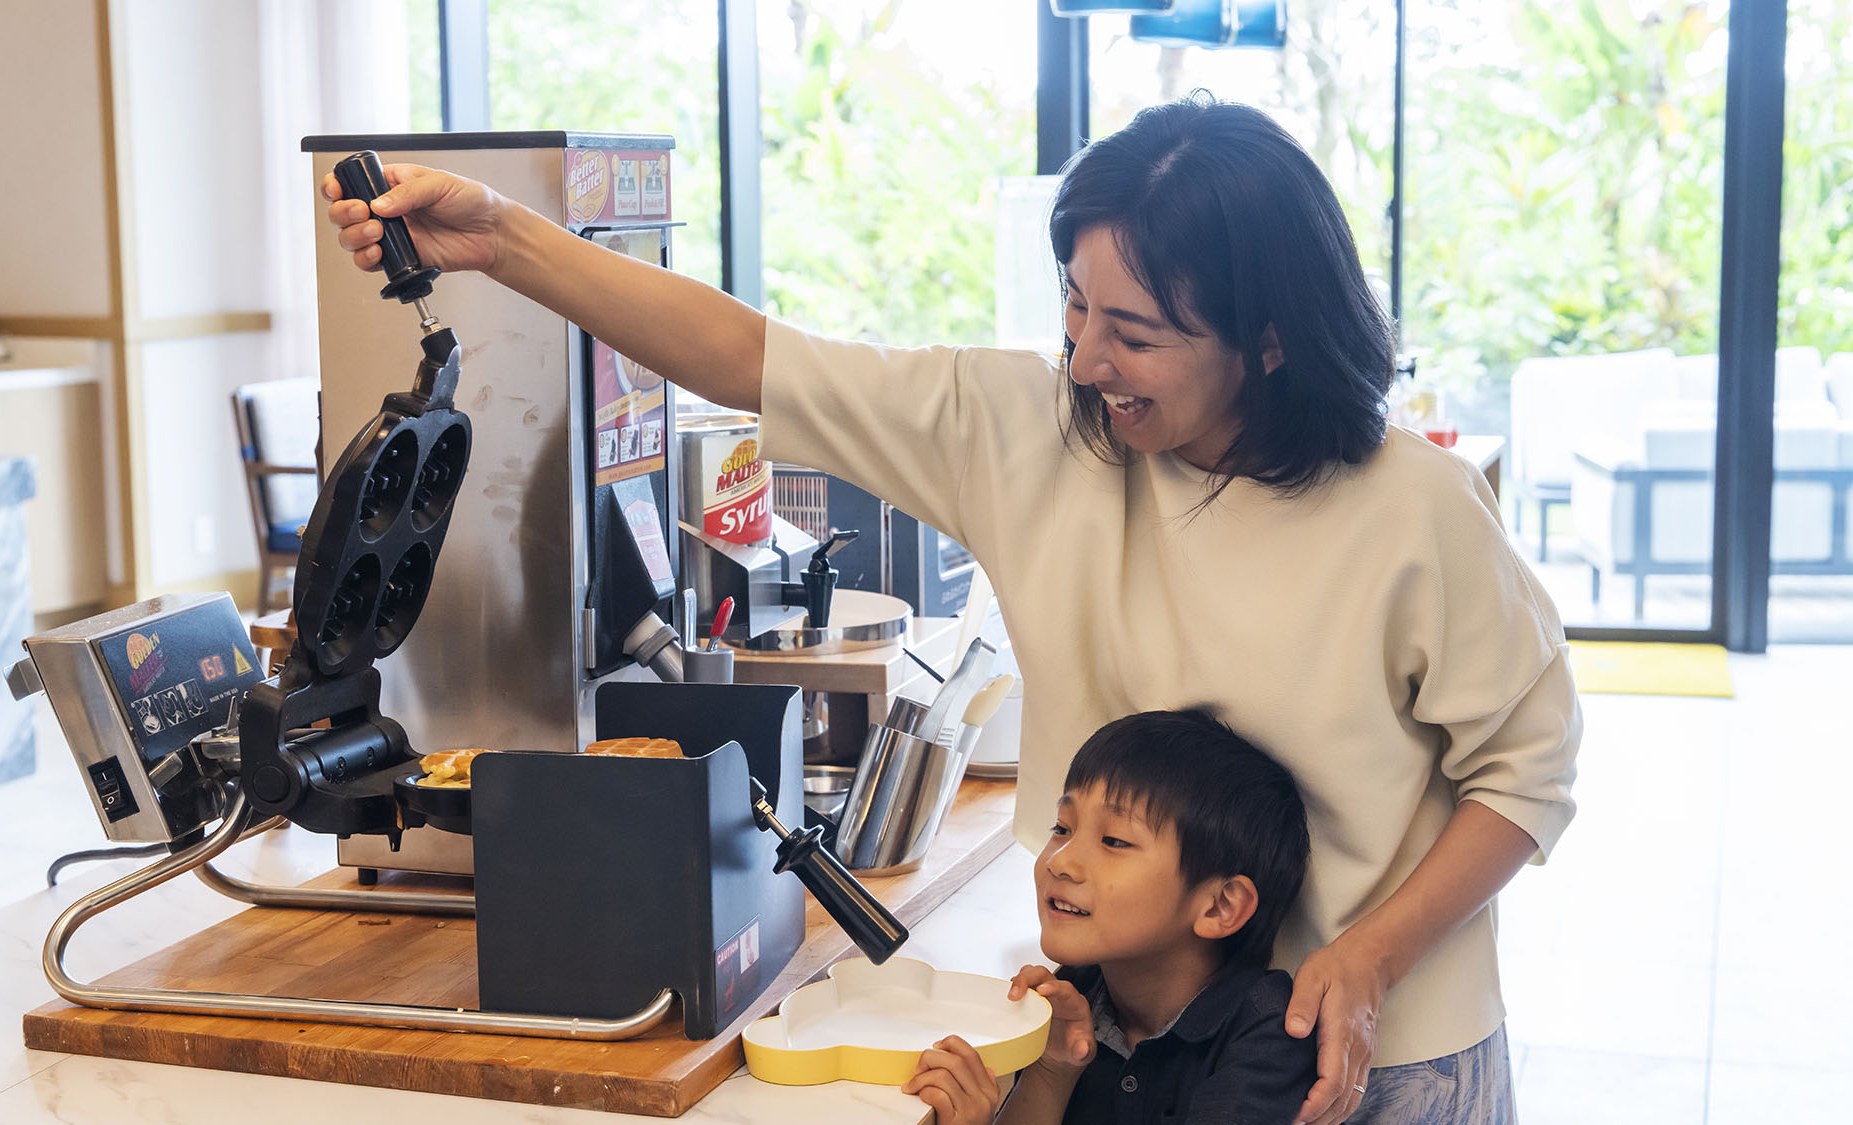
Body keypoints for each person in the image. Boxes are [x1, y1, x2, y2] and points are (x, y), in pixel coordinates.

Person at [322, 92, 1580, 1125]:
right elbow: (749, 356)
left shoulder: (1410, 508)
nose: (1086, 359)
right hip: (1113, 1035)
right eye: (1075, 306)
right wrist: (500, 238)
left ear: (1265, 339)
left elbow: (1523, 776)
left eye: (1134, 332)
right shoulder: (1028, 428)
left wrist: (1369, 959)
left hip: (1367, 1046)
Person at [901, 709, 1316, 1124]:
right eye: (1062, 828)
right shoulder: (1067, 998)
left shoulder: (1271, 1034)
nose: (1060, 862)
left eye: (1114, 840)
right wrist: (1054, 1070)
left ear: (1219, 906)